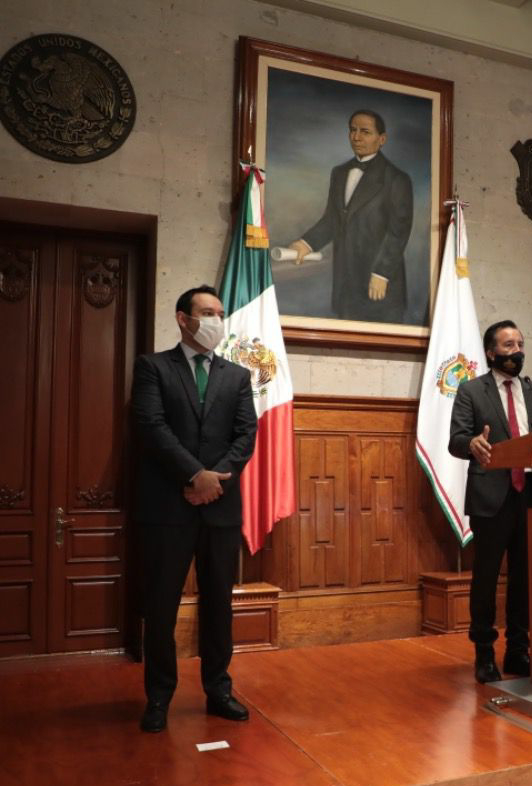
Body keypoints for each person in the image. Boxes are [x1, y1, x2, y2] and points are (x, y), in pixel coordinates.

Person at [132, 285, 258, 733]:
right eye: (207, 312)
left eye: (220, 313)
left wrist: (214, 480)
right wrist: (193, 476)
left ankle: (218, 690)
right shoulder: (153, 367)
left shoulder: (237, 376)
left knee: (219, 603)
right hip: (168, 506)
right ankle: (159, 696)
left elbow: (246, 434)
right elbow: (151, 426)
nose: (215, 321)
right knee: (161, 606)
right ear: (183, 318)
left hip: (220, 508)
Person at [448, 321, 532, 683]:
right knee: (487, 577)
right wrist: (471, 444)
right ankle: (484, 653)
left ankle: (518, 651)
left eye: (520, 344)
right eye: (509, 345)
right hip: (491, 496)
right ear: (491, 352)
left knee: (524, 578)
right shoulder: (471, 390)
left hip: (531, 494)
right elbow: (456, 440)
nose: (517, 351)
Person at [286, 109, 414, 324]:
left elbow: (398, 232)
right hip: (346, 284)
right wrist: (306, 243)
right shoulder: (339, 173)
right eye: (353, 130)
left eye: (365, 132)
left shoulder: (396, 179)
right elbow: (332, 220)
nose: (356, 137)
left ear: (382, 139)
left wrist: (381, 274)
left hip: (380, 286)